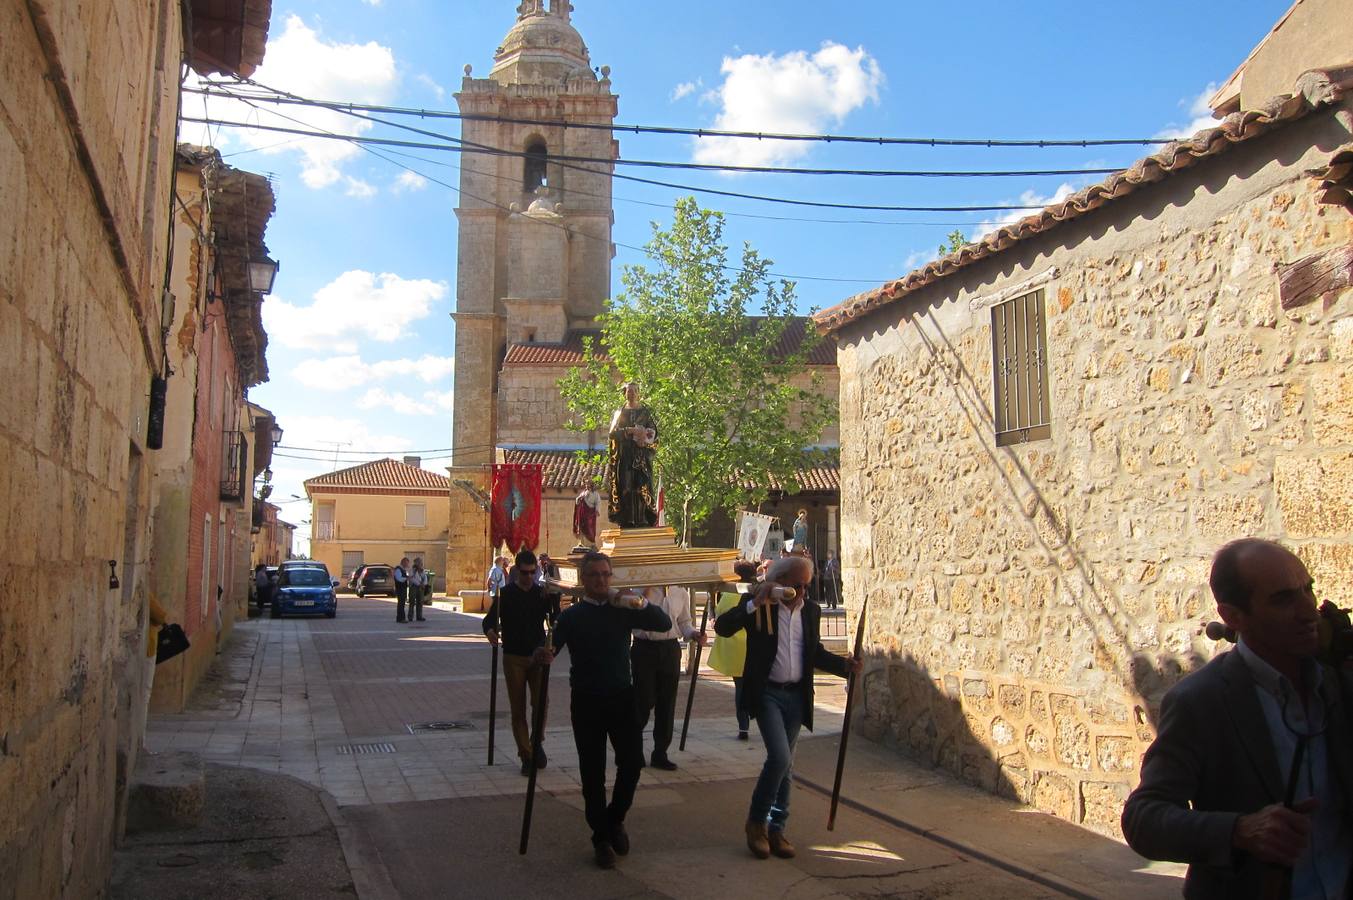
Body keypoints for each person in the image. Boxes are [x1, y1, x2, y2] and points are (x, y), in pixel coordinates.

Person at [1121, 539, 1353, 900]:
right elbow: (1143, 819)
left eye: (1308, 590)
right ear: (1233, 616)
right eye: (1283, 599)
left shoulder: (1339, 679)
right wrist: (1240, 831)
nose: (1309, 612)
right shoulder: (1201, 701)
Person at [715, 554, 860, 861]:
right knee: (779, 757)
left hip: (797, 695)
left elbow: (814, 653)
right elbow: (724, 628)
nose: (804, 593)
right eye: (797, 586)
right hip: (767, 693)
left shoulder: (810, 611)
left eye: (808, 586)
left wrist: (845, 666)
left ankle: (777, 828)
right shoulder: (759, 604)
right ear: (780, 583)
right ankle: (756, 823)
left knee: (787, 765)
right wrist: (756, 603)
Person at [533, 551, 671, 869]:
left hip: (623, 697)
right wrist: (543, 654)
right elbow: (550, 647)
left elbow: (663, 624)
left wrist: (640, 602)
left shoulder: (621, 609)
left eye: (606, 574)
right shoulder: (571, 616)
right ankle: (600, 838)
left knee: (632, 763)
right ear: (584, 580)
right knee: (592, 773)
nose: (602, 580)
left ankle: (615, 819)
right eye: (595, 575)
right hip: (586, 700)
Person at [484, 550, 559, 774]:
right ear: (517, 571)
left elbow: (555, 619)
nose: (528, 577)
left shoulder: (540, 593)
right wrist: (489, 631)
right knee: (518, 708)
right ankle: (526, 755)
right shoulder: (505, 594)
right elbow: (489, 619)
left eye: (532, 572)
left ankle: (537, 742)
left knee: (541, 703)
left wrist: (553, 597)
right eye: (524, 573)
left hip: (537, 654)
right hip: (514, 656)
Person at [632, 585, 705, 770]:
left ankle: (660, 752)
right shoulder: (639, 589)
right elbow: (633, 618)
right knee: (643, 699)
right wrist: (644, 594)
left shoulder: (680, 591)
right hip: (644, 648)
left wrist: (693, 634)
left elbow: (683, 622)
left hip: (670, 649)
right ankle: (634, 749)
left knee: (667, 701)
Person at [709, 561, 759, 740]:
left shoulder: (731, 593)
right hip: (749, 646)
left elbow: (720, 612)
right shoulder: (750, 591)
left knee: (740, 688)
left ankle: (743, 725)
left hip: (737, 647)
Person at [606, 382, 658, 529]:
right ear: (625, 393)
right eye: (629, 391)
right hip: (625, 456)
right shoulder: (620, 413)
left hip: (641, 456)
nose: (631, 394)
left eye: (634, 391)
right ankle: (627, 519)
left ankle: (642, 519)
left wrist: (644, 440)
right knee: (626, 487)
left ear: (638, 393)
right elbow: (612, 434)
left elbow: (653, 434)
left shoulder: (645, 413)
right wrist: (628, 431)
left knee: (641, 487)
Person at [408, 558, 427, 622]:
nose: (420, 564)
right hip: (414, 587)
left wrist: (424, 584)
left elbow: (425, 578)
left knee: (420, 602)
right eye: (419, 562)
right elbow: (411, 579)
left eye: (421, 562)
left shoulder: (422, 570)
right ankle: (410, 617)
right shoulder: (412, 570)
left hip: (421, 588)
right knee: (412, 602)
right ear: (415, 563)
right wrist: (419, 584)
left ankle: (419, 616)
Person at [393, 557, 411, 623]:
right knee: (401, 604)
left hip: (403, 588)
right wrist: (406, 578)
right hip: (400, 588)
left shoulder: (403, 569)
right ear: (403, 562)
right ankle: (400, 618)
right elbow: (399, 579)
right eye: (407, 563)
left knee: (402, 603)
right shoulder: (398, 569)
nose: (408, 564)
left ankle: (401, 618)